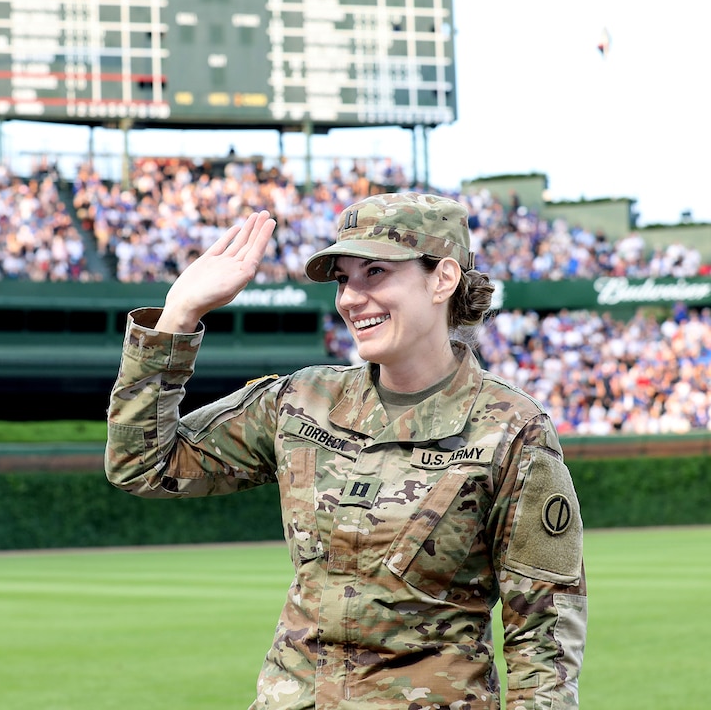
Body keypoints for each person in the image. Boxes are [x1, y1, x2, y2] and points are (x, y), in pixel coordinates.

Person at [105, 193, 587, 709]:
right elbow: (143, 465)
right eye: (342, 279)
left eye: (375, 272)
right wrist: (178, 313)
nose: (350, 298)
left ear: (443, 280)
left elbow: (544, 641)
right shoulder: (301, 400)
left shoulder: (511, 429)